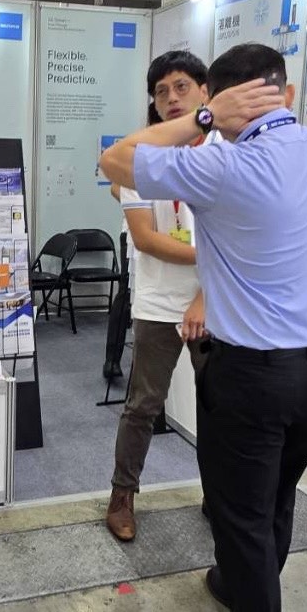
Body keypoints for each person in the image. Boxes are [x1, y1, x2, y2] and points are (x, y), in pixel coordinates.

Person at [99, 43, 307, 612]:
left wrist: (206, 119)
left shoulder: (222, 165)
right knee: (277, 498)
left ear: (220, 100)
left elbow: (114, 160)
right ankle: (246, 591)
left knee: (240, 518)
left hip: (247, 380)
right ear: (287, 94)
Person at [106, 50, 217, 543]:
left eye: (182, 87)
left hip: (215, 303)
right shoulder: (142, 159)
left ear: (205, 92)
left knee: (219, 406)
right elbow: (147, 239)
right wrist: (216, 254)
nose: (171, 98)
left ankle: (219, 495)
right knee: (143, 405)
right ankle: (122, 495)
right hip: (157, 302)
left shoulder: (226, 155)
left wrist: (211, 280)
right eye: (161, 91)